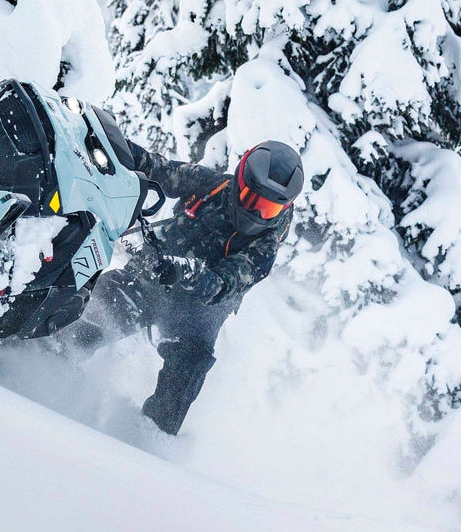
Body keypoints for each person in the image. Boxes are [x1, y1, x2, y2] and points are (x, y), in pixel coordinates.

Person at [70, 140, 304, 436]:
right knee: (100, 312)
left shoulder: (265, 246)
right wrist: (116, 147)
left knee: (188, 369)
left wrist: (183, 270)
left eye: (268, 208)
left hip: (197, 316)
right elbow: (160, 169)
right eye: (251, 198)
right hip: (149, 280)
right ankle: (47, 358)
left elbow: (222, 284)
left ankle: (148, 440)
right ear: (240, 178)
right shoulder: (213, 186)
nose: (256, 212)